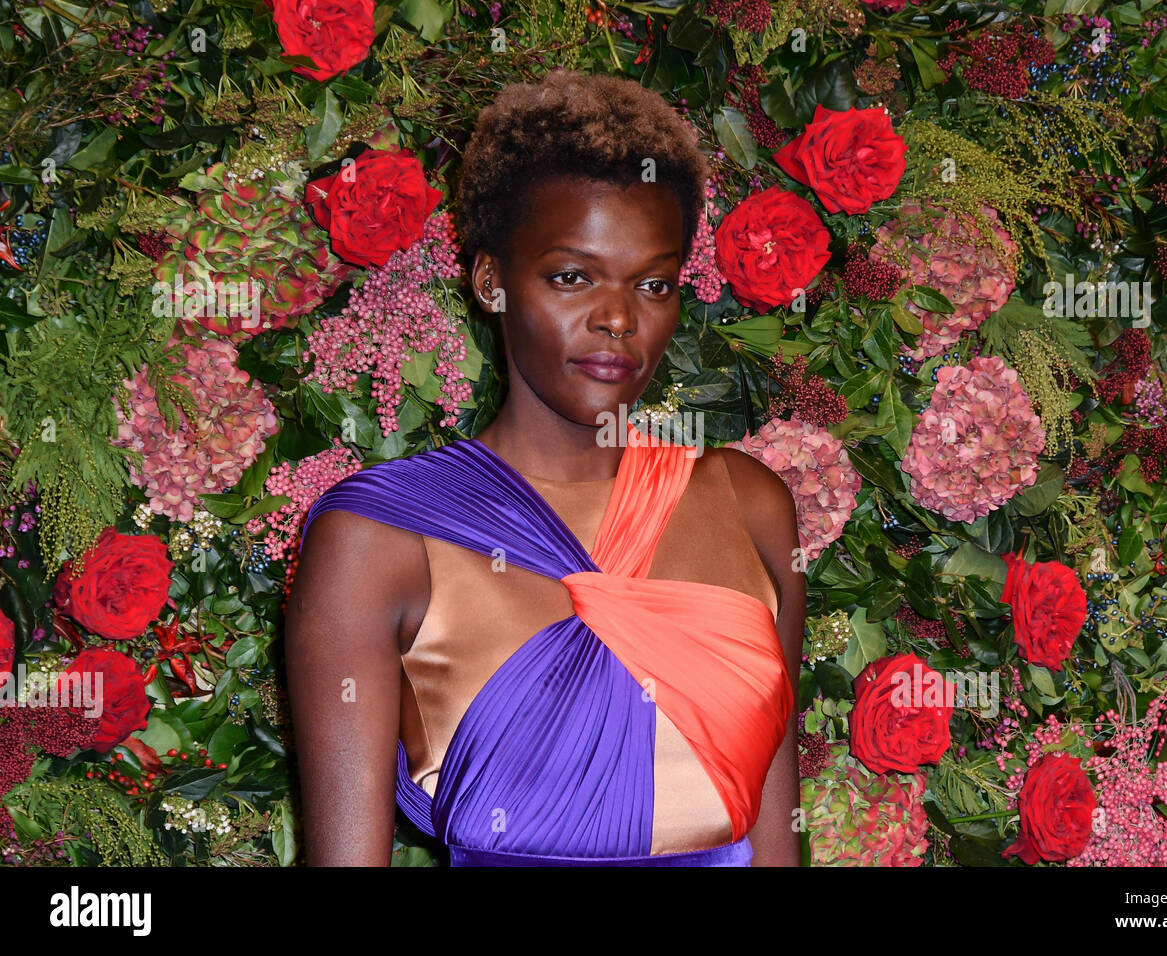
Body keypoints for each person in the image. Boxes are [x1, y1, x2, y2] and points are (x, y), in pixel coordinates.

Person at [286, 68, 805, 867]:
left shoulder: (751, 504)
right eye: (572, 276)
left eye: (654, 284)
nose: (617, 319)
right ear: (491, 281)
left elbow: (774, 839)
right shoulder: (378, 539)